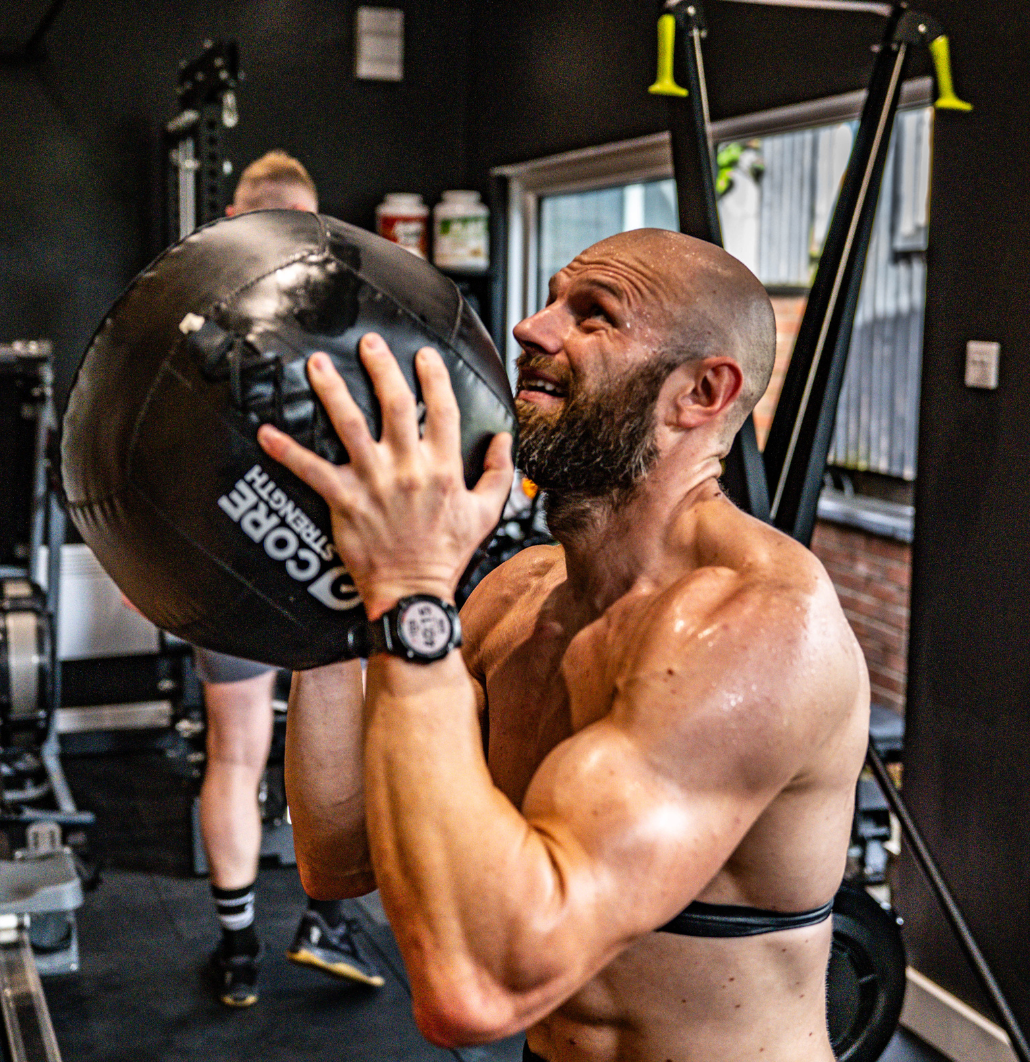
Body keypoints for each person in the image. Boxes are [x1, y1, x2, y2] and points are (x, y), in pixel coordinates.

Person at [258, 227, 870, 1061]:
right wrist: (329, 601)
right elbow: (339, 857)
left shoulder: (759, 628)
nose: (531, 329)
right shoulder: (519, 596)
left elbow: (476, 992)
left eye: (595, 316)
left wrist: (409, 592)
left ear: (700, 392)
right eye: (551, 301)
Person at [203, 149, 383, 1008]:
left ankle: (238, 952)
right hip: (325, 565)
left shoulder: (195, 316)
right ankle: (325, 916)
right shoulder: (352, 314)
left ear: (238, 218)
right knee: (335, 740)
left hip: (230, 563)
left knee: (236, 756)